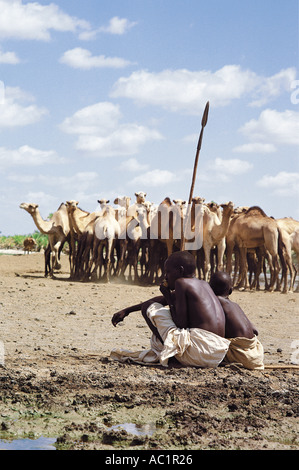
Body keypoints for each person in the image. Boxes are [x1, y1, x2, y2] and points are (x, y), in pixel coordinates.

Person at [111, 251, 230, 368]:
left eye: (168, 272)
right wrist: (127, 310)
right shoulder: (203, 284)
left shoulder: (181, 283)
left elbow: (180, 324)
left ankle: (171, 354)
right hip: (217, 353)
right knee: (152, 305)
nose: (165, 276)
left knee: (148, 307)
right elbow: (160, 300)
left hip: (199, 353)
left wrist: (167, 295)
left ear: (180, 270)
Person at [209, 271, 264, 370]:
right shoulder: (235, 305)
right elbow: (255, 330)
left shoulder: (216, 302)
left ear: (209, 289)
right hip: (256, 353)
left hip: (241, 355)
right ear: (231, 290)